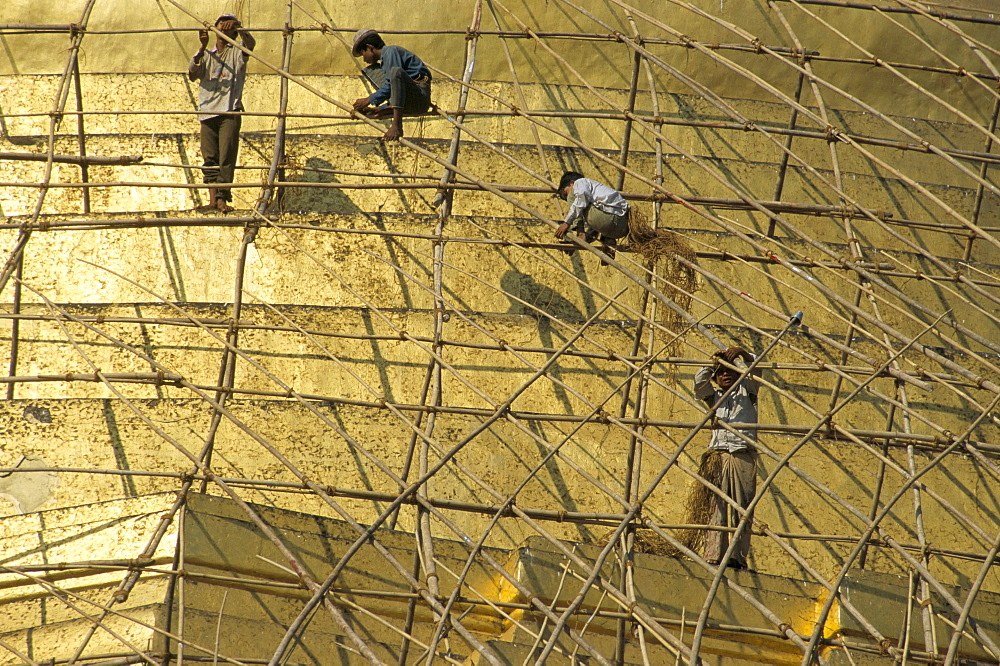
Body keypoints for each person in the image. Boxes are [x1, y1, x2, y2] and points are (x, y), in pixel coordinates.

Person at [691, 345, 761, 569]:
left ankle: (737, 557)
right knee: (715, 507)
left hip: (742, 455)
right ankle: (713, 554)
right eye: (720, 373)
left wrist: (741, 353)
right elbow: (699, 384)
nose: (725, 375)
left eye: (729, 371)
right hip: (719, 455)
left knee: (743, 507)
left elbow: (757, 368)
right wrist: (713, 363)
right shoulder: (714, 396)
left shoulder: (748, 392)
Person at [188, 14, 255, 212]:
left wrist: (238, 28)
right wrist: (202, 46)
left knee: (227, 157)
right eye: (222, 27)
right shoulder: (206, 54)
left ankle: (222, 199)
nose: (225, 30)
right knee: (210, 158)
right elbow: (192, 73)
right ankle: (211, 198)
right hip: (208, 111)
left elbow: (251, 43)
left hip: (229, 111)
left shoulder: (237, 52)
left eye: (229, 28)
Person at [351, 29, 432, 142]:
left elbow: (392, 84)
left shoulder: (390, 51)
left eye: (363, 54)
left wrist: (369, 99)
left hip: (419, 98)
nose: (364, 59)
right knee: (374, 72)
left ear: (369, 47)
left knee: (395, 72)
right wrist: (379, 109)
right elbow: (395, 89)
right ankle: (388, 108)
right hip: (407, 102)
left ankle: (397, 126)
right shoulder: (385, 61)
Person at [554, 171, 630, 260]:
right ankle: (608, 240)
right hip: (621, 227)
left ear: (571, 182)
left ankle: (581, 234)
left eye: (565, 193)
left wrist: (567, 223)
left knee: (577, 202)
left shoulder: (580, 182)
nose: (568, 198)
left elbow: (581, 200)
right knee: (588, 209)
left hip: (609, 217)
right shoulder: (597, 191)